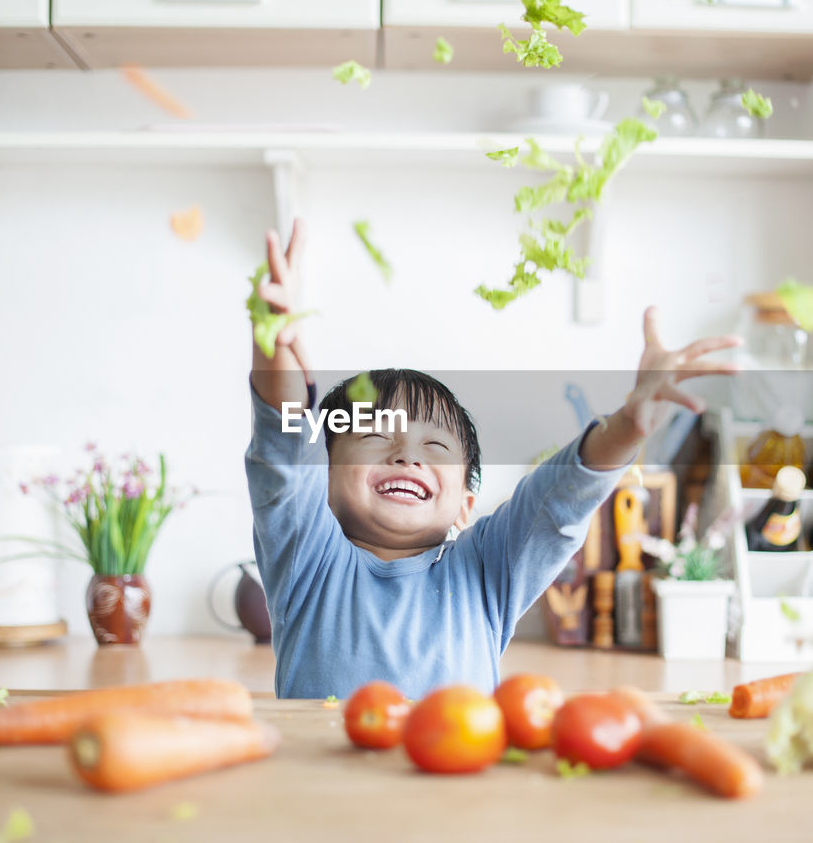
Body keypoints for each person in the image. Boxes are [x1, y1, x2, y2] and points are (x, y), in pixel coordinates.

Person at [246, 219, 740, 699]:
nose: (407, 457)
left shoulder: (486, 569)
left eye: (435, 448)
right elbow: (285, 454)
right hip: (322, 783)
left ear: (466, 504)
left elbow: (557, 503)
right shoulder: (307, 557)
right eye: (376, 435)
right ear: (324, 476)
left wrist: (628, 426)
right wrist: (276, 348)